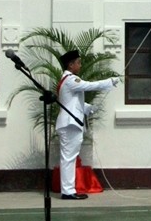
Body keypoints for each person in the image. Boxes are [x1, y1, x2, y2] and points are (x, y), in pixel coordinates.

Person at [55, 49, 119, 200]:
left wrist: (88, 108)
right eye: (78, 62)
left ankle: (69, 190)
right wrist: (109, 82)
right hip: (69, 124)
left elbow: (73, 102)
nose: (80, 65)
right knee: (68, 158)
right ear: (70, 65)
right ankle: (68, 191)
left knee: (69, 157)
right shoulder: (71, 80)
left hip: (70, 122)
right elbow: (89, 86)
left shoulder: (68, 80)